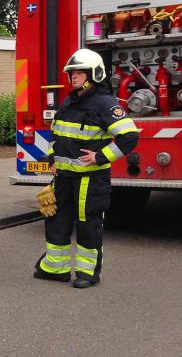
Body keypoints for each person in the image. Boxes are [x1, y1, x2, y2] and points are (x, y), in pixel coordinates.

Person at [34, 48, 139, 289]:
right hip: (63, 178)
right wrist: (53, 159)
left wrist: (101, 156)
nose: (74, 77)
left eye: (79, 73)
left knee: (88, 224)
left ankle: (87, 273)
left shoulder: (105, 104)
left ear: (94, 74)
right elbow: (56, 134)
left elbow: (130, 136)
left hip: (89, 181)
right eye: (72, 73)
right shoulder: (69, 101)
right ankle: (55, 268)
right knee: (56, 220)